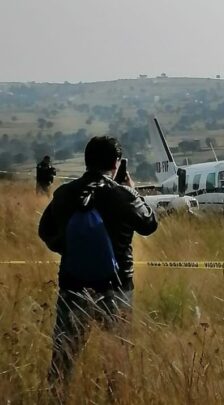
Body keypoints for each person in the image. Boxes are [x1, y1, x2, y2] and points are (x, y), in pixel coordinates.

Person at [38, 136, 158, 394]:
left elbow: (45, 231)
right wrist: (133, 190)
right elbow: (149, 225)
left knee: (63, 359)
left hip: (73, 286)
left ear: (86, 161)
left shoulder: (65, 193)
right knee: (116, 360)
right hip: (117, 288)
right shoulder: (121, 195)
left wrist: (70, 247)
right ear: (116, 163)